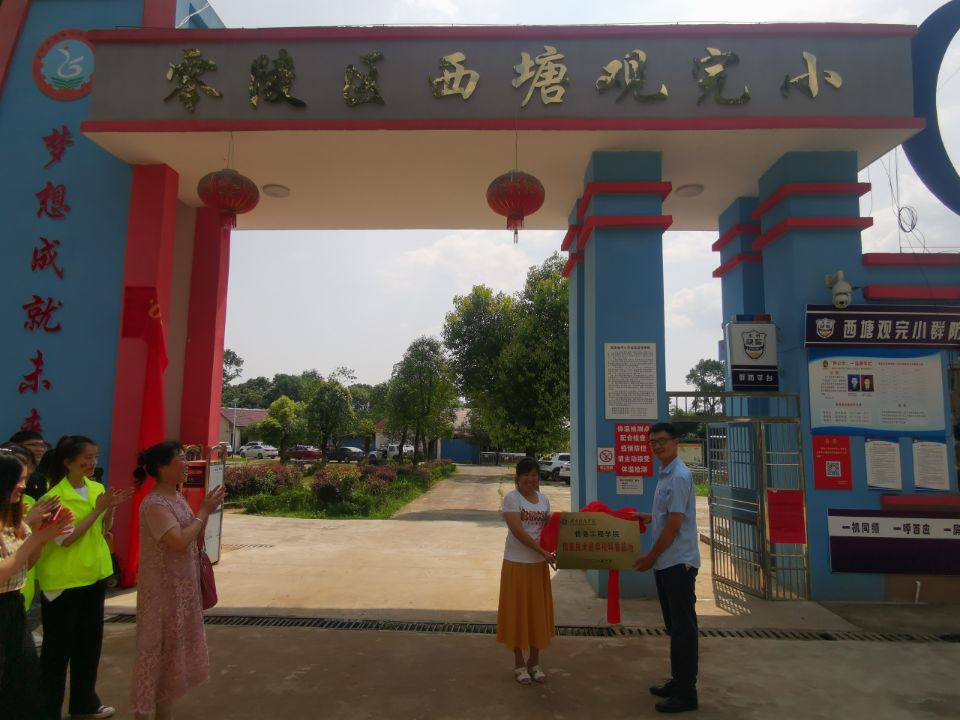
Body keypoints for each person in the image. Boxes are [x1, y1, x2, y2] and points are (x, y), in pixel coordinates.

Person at [36, 435, 133, 720]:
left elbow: (103, 529)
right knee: (57, 652)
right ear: (67, 462)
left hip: (93, 576)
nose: (92, 463)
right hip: (64, 583)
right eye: (86, 458)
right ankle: (48, 710)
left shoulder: (96, 488)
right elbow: (66, 540)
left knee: (89, 646)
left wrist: (110, 508)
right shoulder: (53, 498)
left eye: (95, 457)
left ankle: (84, 703)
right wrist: (99, 509)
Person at [131, 441, 224, 720]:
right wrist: (204, 511)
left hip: (180, 590)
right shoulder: (155, 504)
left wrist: (204, 513)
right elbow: (178, 541)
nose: (187, 464)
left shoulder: (176, 497)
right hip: (161, 593)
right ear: (162, 467)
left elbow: (192, 535)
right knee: (155, 655)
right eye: (181, 459)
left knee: (170, 658)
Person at [0, 449, 73, 720]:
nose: (24, 486)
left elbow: (27, 565)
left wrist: (41, 535)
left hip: (14, 608)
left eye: (25, 479)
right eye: (19, 480)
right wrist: (36, 539)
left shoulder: (13, 520)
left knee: (24, 686)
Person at [634, 422, 701, 714]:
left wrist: (650, 557)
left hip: (677, 563)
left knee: (683, 630)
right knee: (675, 627)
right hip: (667, 563)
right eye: (653, 442)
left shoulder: (680, 476)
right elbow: (669, 515)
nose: (657, 446)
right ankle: (678, 681)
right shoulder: (666, 474)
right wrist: (649, 516)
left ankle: (687, 693)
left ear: (676, 442)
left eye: (662, 440)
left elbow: (674, 526)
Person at [495, 457, 556, 685]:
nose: (531, 479)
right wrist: (542, 551)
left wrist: (554, 547)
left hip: (538, 565)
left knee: (537, 613)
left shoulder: (544, 499)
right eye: (526, 475)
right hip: (517, 563)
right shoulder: (512, 499)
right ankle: (519, 663)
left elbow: (548, 529)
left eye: (534, 475)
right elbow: (518, 532)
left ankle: (535, 662)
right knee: (518, 613)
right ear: (517, 478)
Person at [9, 430, 51, 500]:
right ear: (16, 447)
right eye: (33, 445)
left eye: (42, 446)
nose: (40, 449)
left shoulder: (41, 479)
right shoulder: (6, 475)